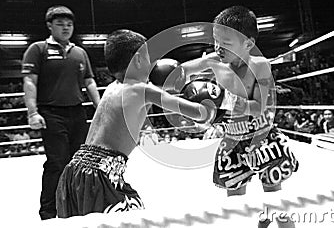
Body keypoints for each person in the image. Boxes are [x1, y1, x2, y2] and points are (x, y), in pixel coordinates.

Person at [55, 29, 217, 218]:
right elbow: (200, 113)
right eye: (151, 57)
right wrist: (213, 98)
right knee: (135, 218)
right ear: (139, 59)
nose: (154, 63)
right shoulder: (142, 90)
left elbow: (172, 82)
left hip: (73, 172)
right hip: (99, 178)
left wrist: (202, 64)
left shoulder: (112, 88)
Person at [180, 6, 298, 226]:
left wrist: (225, 100)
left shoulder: (260, 66)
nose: (218, 48)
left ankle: (270, 219)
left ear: (248, 43)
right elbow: (183, 70)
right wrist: (164, 77)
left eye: (226, 43)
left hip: (261, 137)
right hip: (232, 139)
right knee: (235, 204)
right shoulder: (213, 61)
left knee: (275, 200)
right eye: (216, 41)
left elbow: (259, 107)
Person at [21, 5, 101, 220]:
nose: (66, 28)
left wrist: (99, 106)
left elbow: (89, 81)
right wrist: (32, 112)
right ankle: (48, 211)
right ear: (49, 26)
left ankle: (74, 206)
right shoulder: (38, 49)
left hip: (77, 112)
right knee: (57, 162)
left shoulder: (79, 52)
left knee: (79, 162)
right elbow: (30, 81)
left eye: (69, 24)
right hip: (51, 112)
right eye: (60, 24)